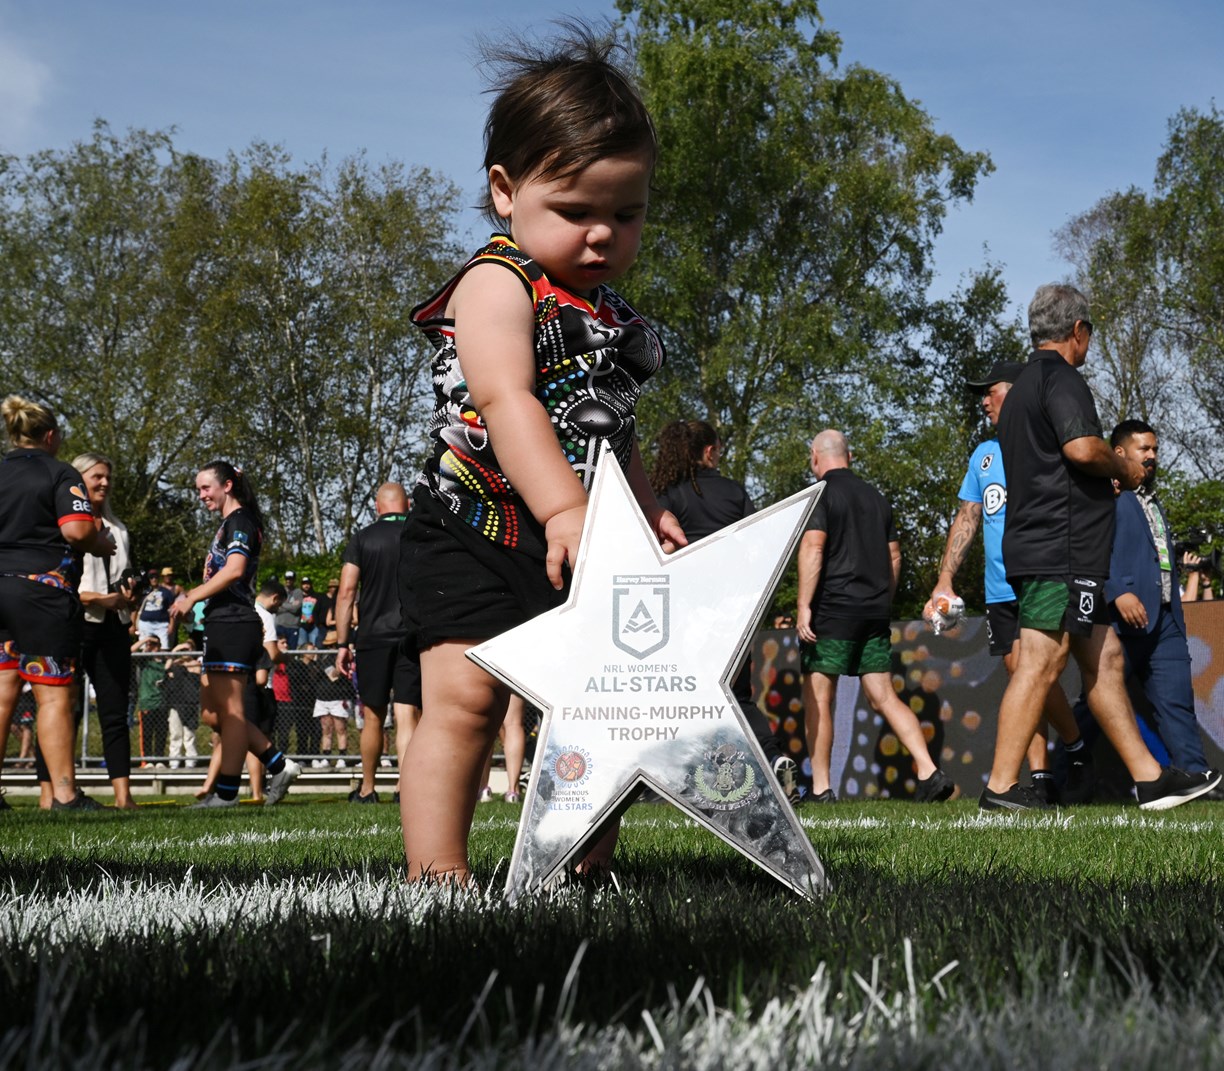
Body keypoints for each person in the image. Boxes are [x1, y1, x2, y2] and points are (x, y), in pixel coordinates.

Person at [397, 27, 684, 883]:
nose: (602, 236)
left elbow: (612, 432)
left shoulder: (612, 317)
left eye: (625, 215)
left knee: (602, 708)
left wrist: (643, 510)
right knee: (465, 700)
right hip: (474, 527)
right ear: (505, 191)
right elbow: (506, 397)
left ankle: (582, 865)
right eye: (575, 211)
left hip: (585, 540)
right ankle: (438, 870)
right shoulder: (498, 281)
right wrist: (564, 506)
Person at [985, 284, 1220, 811]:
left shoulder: (1020, 389)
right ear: (1078, 331)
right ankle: (1000, 787)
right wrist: (1122, 468)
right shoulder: (1062, 377)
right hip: (1059, 548)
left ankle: (1151, 779)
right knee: (1041, 661)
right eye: (1089, 334)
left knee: (1107, 658)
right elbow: (1082, 448)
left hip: (1052, 545)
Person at [926, 364, 1090, 805]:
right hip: (1000, 588)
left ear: (1018, 395)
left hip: (1042, 576)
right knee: (1022, 676)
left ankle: (1073, 748)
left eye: (991, 391)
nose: (984, 401)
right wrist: (945, 578)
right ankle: (1042, 776)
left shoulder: (1049, 446)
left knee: (1033, 674)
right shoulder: (983, 455)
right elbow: (968, 516)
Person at [796, 430, 958, 804]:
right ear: (849, 456)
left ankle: (821, 789)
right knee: (884, 696)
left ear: (815, 457)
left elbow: (813, 548)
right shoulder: (876, 497)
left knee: (819, 697)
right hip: (873, 611)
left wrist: (804, 604)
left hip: (832, 611)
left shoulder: (820, 495)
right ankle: (928, 771)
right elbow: (894, 557)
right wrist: (882, 601)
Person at [650, 418, 801, 802]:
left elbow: (655, 551)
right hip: (735, 610)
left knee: (682, 693)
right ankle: (772, 757)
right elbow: (759, 548)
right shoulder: (734, 492)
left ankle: (676, 778)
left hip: (687, 611)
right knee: (738, 695)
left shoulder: (667, 495)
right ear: (708, 451)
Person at [1078, 420, 1218, 778]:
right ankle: (1062, 777)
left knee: (1177, 704)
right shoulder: (1104, 493)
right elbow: (1089, 546)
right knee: (1097, 703)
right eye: (1144, 449)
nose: (1152, 455)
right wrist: (1116, 591)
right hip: (1120, 620)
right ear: (1119, 453)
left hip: (1166, 618)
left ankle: (1196, 776)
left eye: (1155, 449)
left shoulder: (1151, 499)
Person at [0, 395, 116, 809]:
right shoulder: (60, 472)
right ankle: (65, 794)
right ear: (50, 436)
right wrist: (101, 543)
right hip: (41, 592)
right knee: (51, 693)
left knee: (2, 690)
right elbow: (77, 531)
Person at [167, 460, 300, 808]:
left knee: (231, 713)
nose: (201, 495)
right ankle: (278, 764)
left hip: (233, 623)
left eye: (205, 487)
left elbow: (235, 569)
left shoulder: (241, 521)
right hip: (219, 622)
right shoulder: (229, 523)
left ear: (227, 486)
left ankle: (226, 794)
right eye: (198, 489)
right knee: (214, 715)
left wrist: (191, 596)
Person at [61, 452, 141, 807]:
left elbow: (126, 573)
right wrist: (97, 598)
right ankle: (59, 791)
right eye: (97, 476)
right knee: (65, 708)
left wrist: (130, 592)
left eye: (108, 476)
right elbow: (59, 580)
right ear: (79, 479)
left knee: (115, 712)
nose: (105, 483)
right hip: (75, 623)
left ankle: (124, 796)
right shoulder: (66, 525)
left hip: (114, 626)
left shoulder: (119, 529)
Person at [334, 482, 421, 804]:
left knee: (372, 714)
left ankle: (368, 789)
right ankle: (405, 788)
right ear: (407, 505)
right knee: (407, 714)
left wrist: (343, 643)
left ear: (377, 506)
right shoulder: (419, 533)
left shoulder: (363, 538)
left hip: (372, 637)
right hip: (411, 635)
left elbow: (346, 591)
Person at [136, 568, 175, 647]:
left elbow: (172, 609)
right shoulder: (143, 592)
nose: (154, 579)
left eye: (156, 577)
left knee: (165, 646)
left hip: (162, 624)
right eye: (151, 577)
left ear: (159, 578)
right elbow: (137, 608)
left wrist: (171, 624)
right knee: (143, 646)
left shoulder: (166, 592)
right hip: (145, 623)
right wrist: (134, 624)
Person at [275, 570, 304, 644]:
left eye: (290, 579)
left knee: (292, 649)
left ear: (294, 580)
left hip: (293, 626)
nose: (288, 581)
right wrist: (290, 605)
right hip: (280, 625)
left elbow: (296, 609)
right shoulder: (279, 590)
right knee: (280, 648)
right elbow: (276, 608)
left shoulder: (298, 592)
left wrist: (282, 603)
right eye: (287, 579)